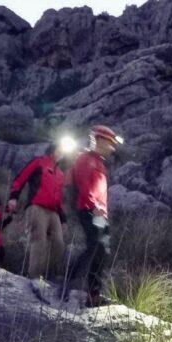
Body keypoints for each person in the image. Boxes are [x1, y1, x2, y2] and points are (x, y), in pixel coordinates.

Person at [65, 125, 122, 307]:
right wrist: (94, 206)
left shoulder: (99, 162)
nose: (113, 147)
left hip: (99, 212)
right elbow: (84, 187)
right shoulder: (85, 159)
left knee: (101, 251)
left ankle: (93, 294)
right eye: (110, 142)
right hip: (89, 210)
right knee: (95, 248)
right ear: (99, 140)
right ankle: (69, 282)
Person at [7, 144, 67, 280]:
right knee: (39, 240)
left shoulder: (60, 174)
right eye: (59, 149)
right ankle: (35, 278)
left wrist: (63, 219)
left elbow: (59, 199)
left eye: (63, 151)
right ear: (52, 150)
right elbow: (21, 178)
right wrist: (13, 197)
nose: (61, 153)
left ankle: (48, 276)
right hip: (36, 207)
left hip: (54, 212)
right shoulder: (39, 162)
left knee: (58, 244)